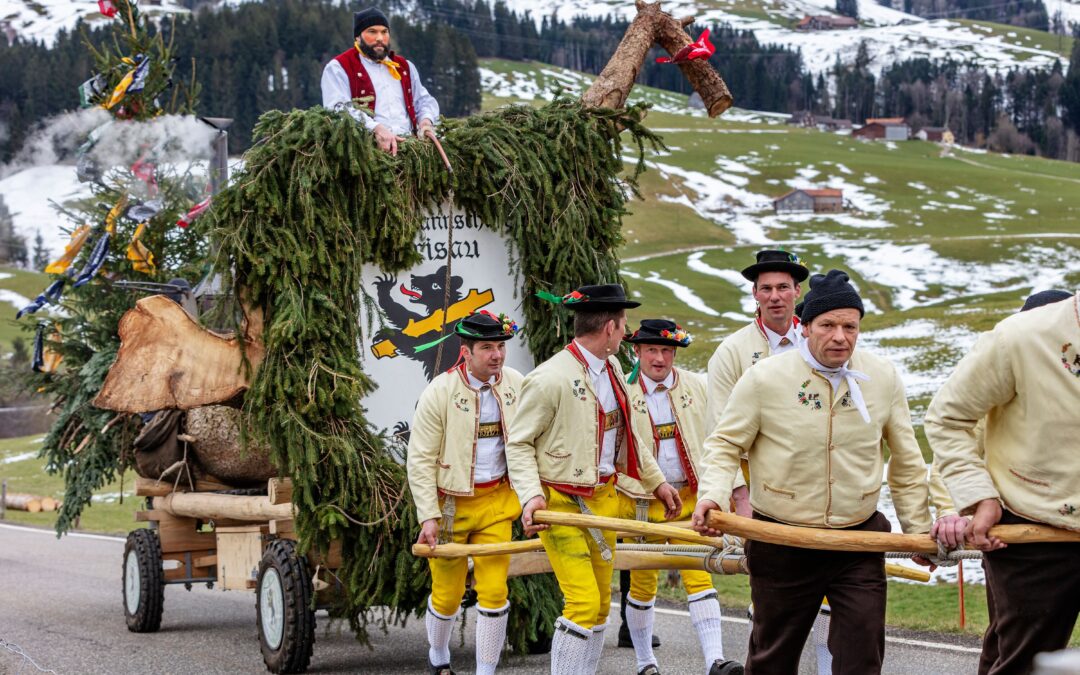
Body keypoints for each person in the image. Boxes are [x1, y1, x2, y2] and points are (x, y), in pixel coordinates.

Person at [691, 270, 940, 675]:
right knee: (773, 656)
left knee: (861, 653)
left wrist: (917, 529)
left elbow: (907, 460)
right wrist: (713, 497)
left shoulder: (882, 377)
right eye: (827, 325)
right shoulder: (765, 378)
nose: (840, 336)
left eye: (850, 326)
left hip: (857, 540)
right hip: (782, 538)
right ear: (804, 327)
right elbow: (724, 445)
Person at [505, 284, 682, 674]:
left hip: (605, 499)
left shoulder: (615, 369)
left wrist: (657, 483)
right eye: (623, 325)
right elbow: (517, 444)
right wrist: (531, 497)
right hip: (561, 503)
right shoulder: (549, 378)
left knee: (601, 603)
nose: (625, 332)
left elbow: (630, 436)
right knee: (583, 602)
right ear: (610, 328)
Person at [926, 289, 1079, 675]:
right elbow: (948, 418)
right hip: (1034, 529)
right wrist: (979, 497)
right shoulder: (1019, 337)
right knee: (1022, 665)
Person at [618, 319, 744, 675]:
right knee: (642, 583)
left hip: (690, 498)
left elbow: (720, 437)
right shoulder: (622, 392)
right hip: (641, 502)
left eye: (667, 351)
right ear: (637, 351)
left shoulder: (697, 386)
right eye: (652, 350)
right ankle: (645, 663)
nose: (660, 358)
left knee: (699, 572)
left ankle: (714, 661)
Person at [407, 311, 524, 675]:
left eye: (501, 346)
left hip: (497, 503)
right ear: (466, 350)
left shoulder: (517, 384)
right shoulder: (439, 392)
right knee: (447, 594)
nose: (497, 355)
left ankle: (485, 671)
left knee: (494, 591)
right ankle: (438, 657)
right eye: (487, 347)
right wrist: (428, 514)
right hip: (450, 507)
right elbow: (420, 459)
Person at [706, 248, 809, 430]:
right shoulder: (731, 352)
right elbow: (719, 423)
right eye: (766, 288)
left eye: (783, 287)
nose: (775, 297)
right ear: (755, 293)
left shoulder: (816, 341)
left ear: (797, 290)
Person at [321, 7, 439, 155]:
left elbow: (423, 100)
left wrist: (426, 121)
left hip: (411, 150)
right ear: (358, 37)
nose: (380, 38)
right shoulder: (338, 67)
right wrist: (375, 128)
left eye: (384, 32)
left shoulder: (404, 66)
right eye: (372, 31)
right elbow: (337, 108)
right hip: (366, 154)